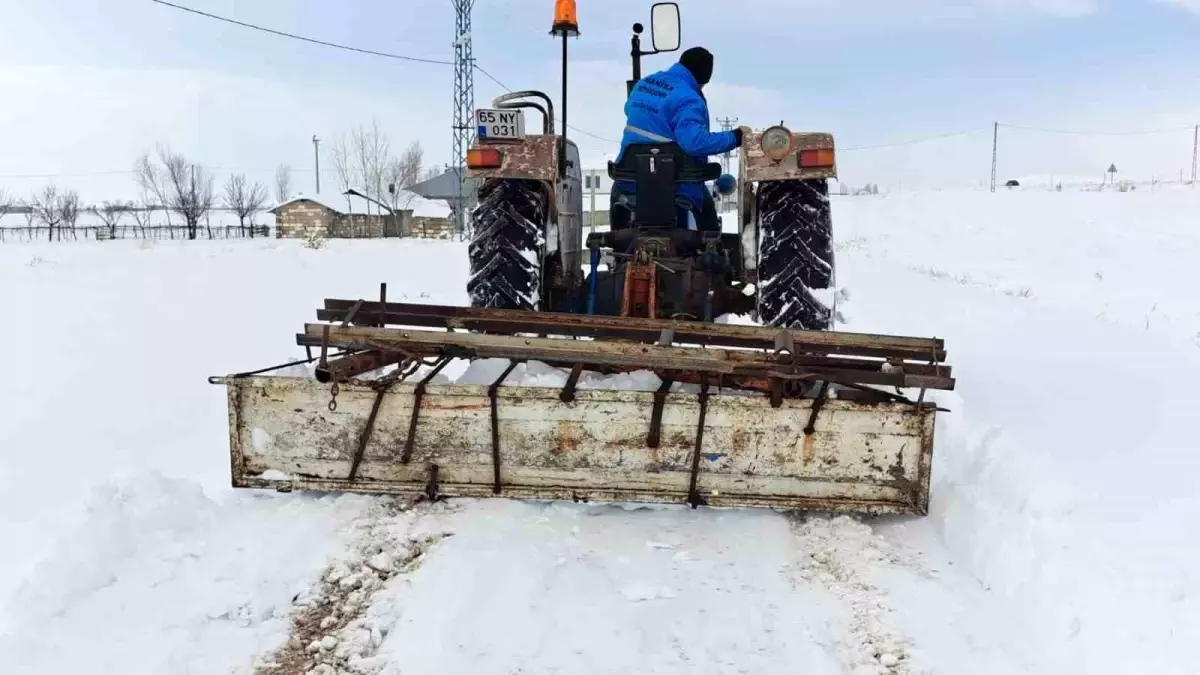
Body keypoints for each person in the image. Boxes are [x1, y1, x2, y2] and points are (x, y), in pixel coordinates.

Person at [610, 46, 746, 232]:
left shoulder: (644, 84)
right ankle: (711, 254)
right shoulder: (689, 99)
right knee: (708, 222)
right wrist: (735, 137)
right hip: (678, 185)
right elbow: (694, 142)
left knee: (617, 204)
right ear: (702, 80)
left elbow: (628, 109)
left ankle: (615, 250)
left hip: (630, 178)